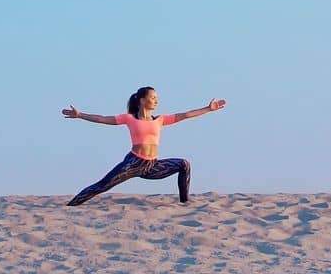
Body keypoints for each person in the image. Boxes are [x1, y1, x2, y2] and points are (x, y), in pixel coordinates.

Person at [62, 86, 226, 206]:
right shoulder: (129, 118)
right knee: (102, 185)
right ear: (142, 100)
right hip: (133, 164)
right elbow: (102, 119)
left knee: (184, 164)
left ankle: (184, 202)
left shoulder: (160, 120)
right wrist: (80, 115)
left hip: (152, 165)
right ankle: (71, 206)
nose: (156, 100)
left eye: (156, 98)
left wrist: (208, 109)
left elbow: (186, 115)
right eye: (153, 97)